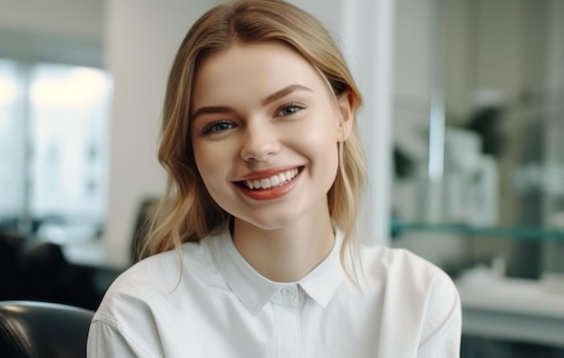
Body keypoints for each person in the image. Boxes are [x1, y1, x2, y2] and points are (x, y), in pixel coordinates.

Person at [87, 1, 462, 357]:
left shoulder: (419, 298)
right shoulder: (139, 313)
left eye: (288, 109)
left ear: (343, 114)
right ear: (191, 150)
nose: (258, 147)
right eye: (220, 125)